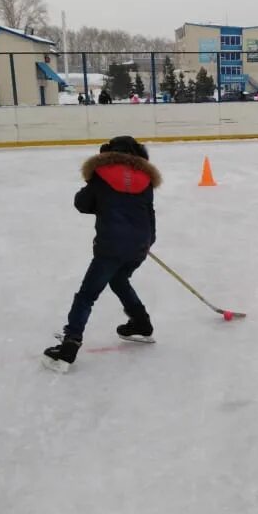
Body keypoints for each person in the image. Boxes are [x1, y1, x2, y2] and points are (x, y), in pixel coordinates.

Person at [43, 135, 162, 373]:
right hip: (140, 244)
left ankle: (69, 346)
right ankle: (141, 323)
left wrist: (98, 195)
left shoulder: (102, 174)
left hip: (111, 246)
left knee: (87, 295)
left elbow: (82, 204)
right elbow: (149, 213)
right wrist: (147, 241)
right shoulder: (145, 178)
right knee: (119, 280)